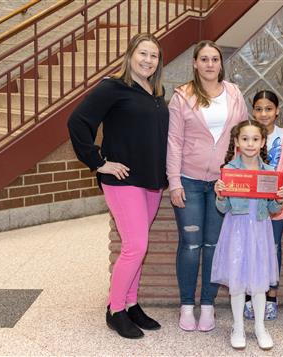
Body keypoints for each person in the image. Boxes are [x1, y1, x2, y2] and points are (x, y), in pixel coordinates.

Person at [68, 33, 168, 339]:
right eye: (143, 53)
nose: (148, 60)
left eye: (153, 55)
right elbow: (77, 122)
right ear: (130, 55)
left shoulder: (155, 93)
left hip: (152, 181)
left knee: (137, 247)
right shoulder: (113, 86)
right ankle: (115, 310)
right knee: (135, 246)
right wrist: (98, 162)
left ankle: (131, 303)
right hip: (122, 180)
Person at [166, 40, 247, 332]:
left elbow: (243, 138)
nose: (210, 64)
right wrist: (174, 181)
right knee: (190, 244)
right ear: (195, 63)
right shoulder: (182, 97)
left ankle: (209, 305)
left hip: (222, 184)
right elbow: (174, 142)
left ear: (220, 64)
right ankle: (187, 305)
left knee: (213, 245)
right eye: (204, 59)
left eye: (215, 59)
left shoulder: (235, 94)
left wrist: (240, 177)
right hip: (188, 180)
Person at [212, 120, 283, 350]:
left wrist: (279, 198)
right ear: (236, 142)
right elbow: (223, 209)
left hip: (260, 231)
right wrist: (221, 195)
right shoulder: (230, 171)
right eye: (245, 139)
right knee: (236, 281)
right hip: (236, 230)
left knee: (259, 282)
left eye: (255, 139)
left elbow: (274, 210)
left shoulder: (269, 172)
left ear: (263, 142)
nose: (250, 144)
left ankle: (260, 327)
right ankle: (237, 326)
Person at [244, 90, 283, 321]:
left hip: (274, 207)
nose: (263, 113)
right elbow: (237, 166)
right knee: (248, 248)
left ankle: (271, 296)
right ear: (253, 111)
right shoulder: (246, 134)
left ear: (277, 111)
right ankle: (248, 297)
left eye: (268, 109)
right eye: (258, 109)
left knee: (273, 249)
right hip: (248, 207)